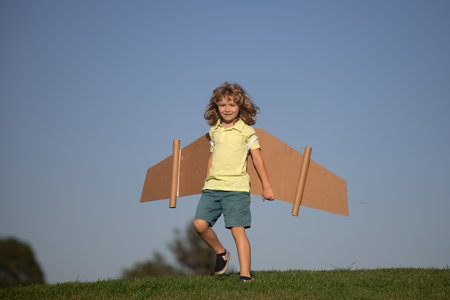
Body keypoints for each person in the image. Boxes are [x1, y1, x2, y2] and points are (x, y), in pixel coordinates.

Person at [193, 82, 275, 282]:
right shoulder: (215, 131)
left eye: (231, 105)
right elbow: (212, 157)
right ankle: (221, 253)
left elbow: (257, 159)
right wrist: (206, 182)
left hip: (236, 190)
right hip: (212, 188)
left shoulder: (246, 131)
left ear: (240, 106)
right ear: (216, 108)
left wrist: (266, 186)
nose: (227, 109)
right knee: (199, 225)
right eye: (222, 105)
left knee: (237, 231)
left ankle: (245, 276)